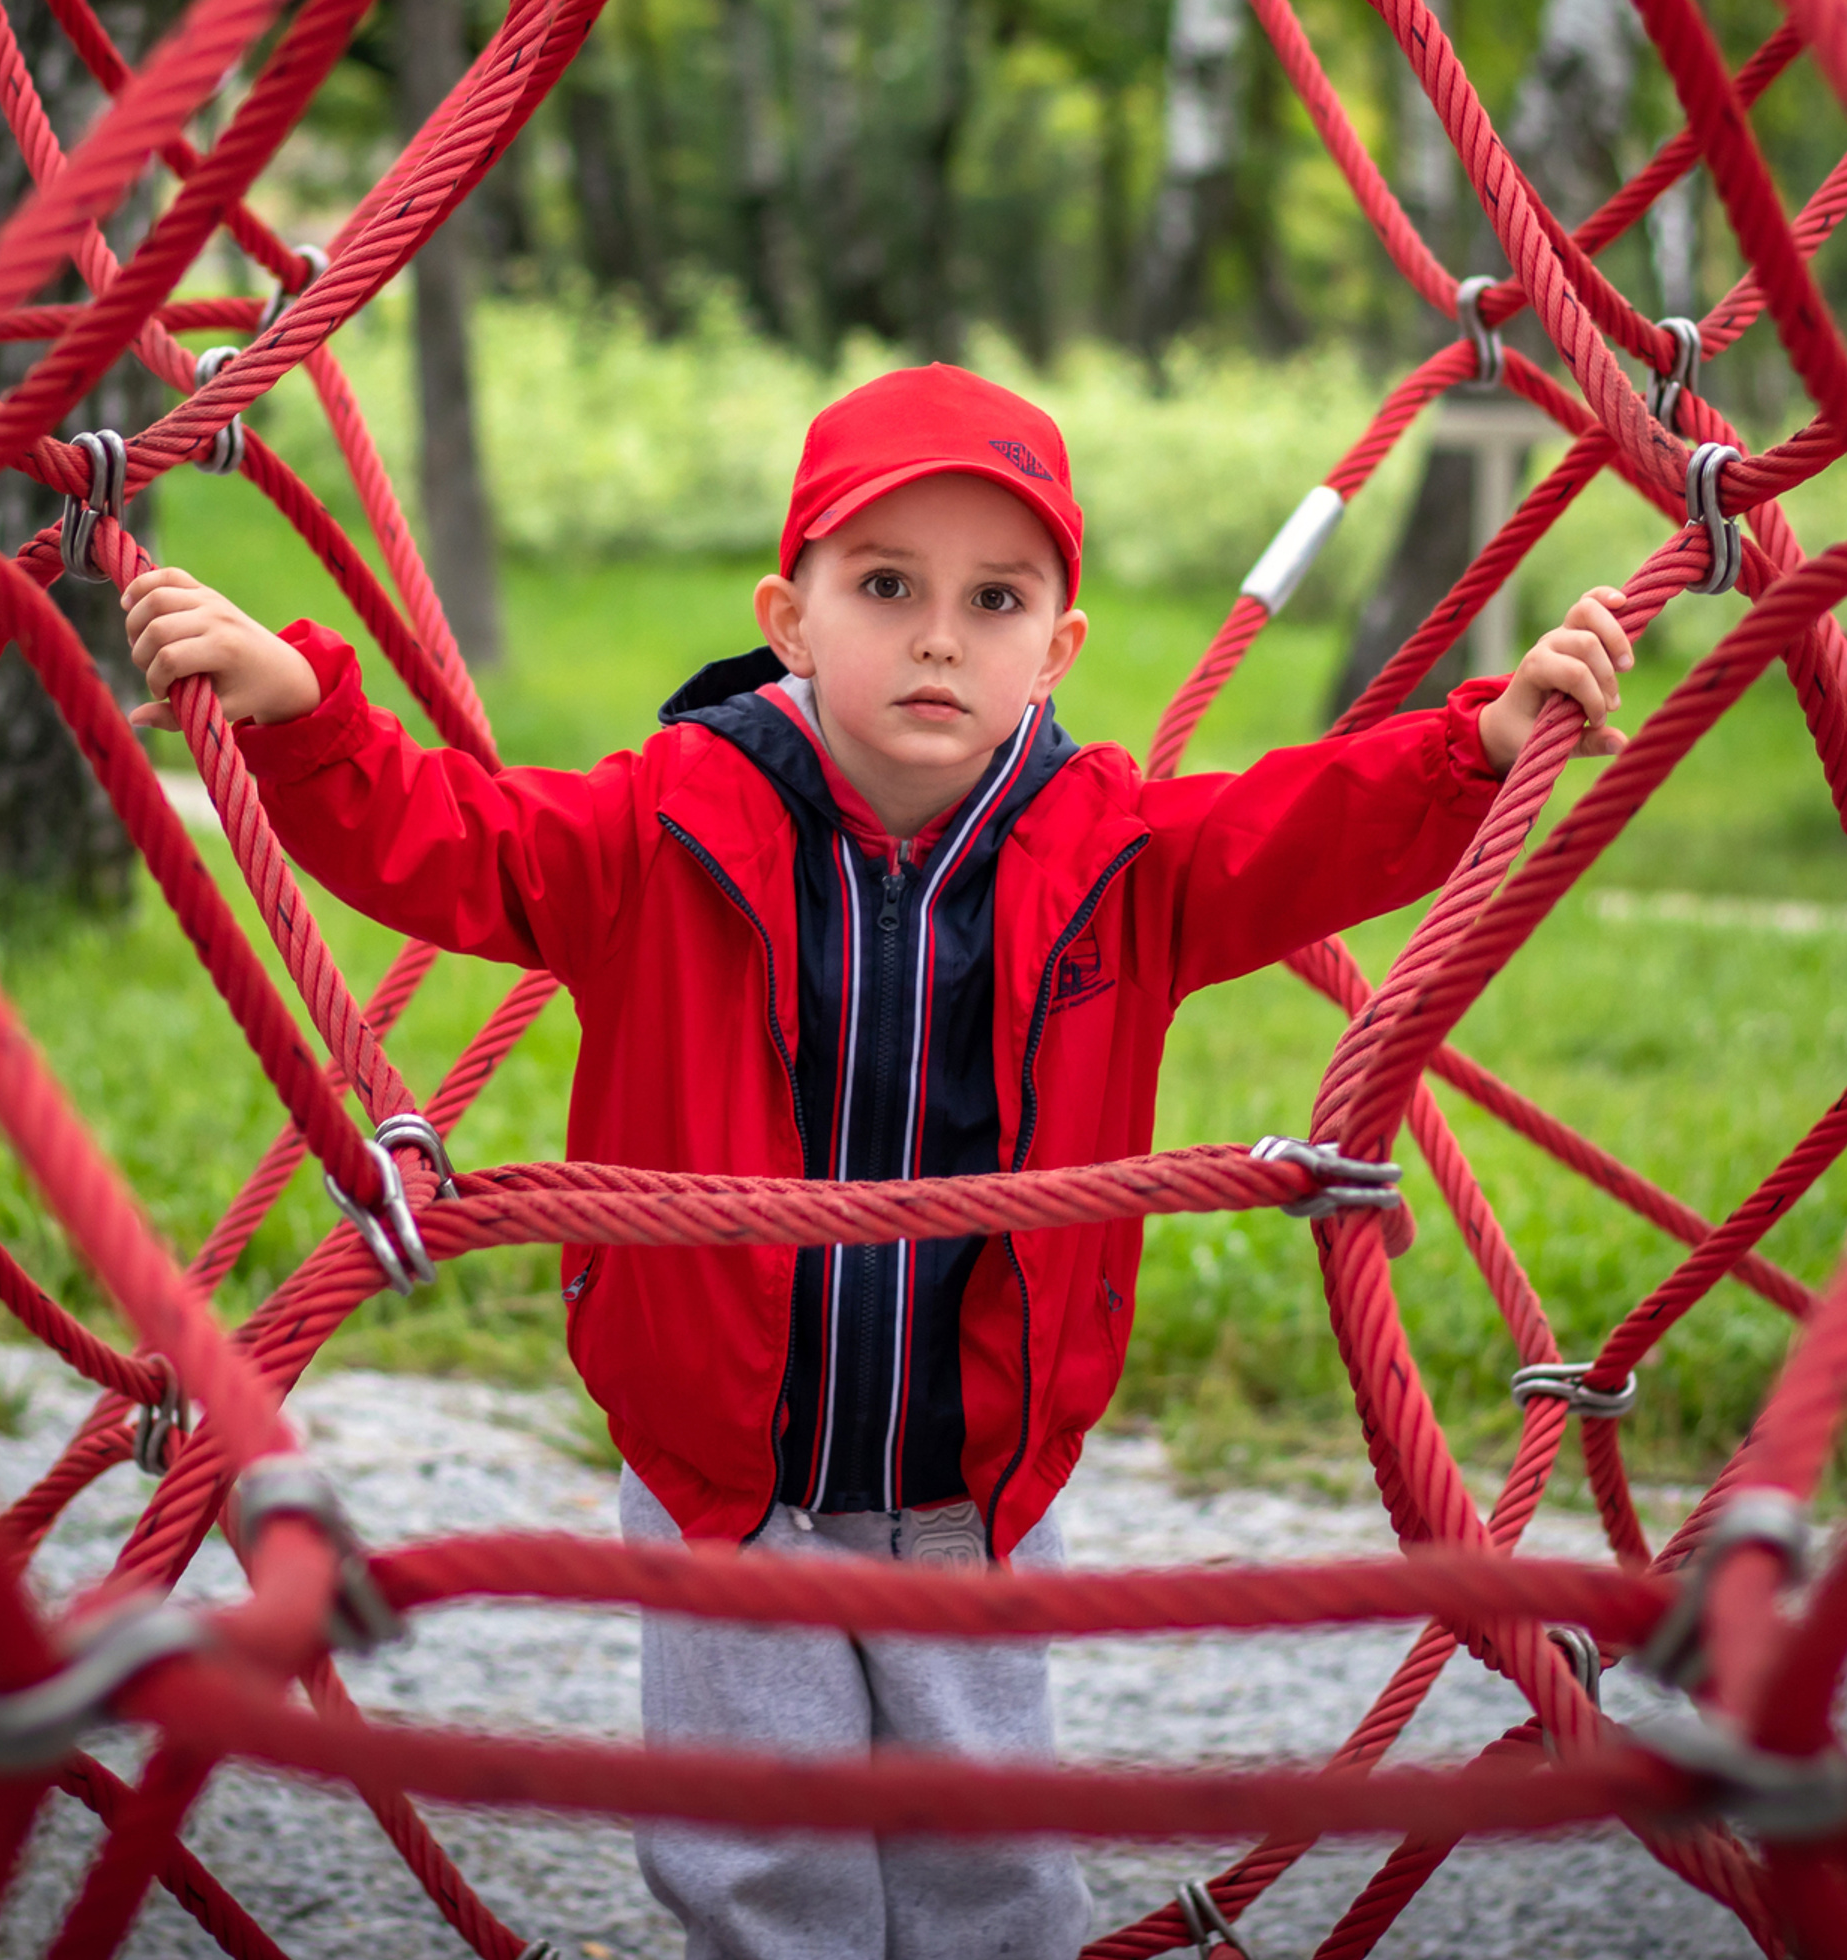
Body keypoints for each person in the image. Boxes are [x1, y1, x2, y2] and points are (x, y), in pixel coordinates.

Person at [121, 362, 1633, 1960]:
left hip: (972, 1484)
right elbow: (455, 839)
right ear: (790, 618)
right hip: (725, 1481)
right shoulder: (662, 827)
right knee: (761, 1864)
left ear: (1058, 649)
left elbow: (1303, 827)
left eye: (996, 600)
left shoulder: (1119, 858)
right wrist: (303, 721)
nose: (938, 638)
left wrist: (1482, 744)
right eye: (887, 586)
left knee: (992, 1863)